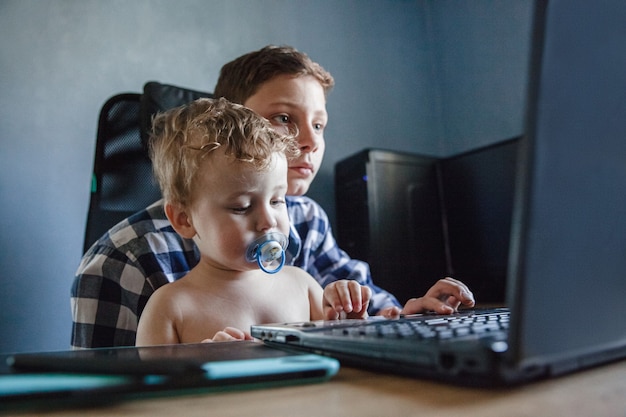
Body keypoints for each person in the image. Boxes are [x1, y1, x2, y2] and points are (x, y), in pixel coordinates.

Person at [72, 45, 474, 349]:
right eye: (284, 119)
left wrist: (406, 315)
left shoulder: (305, 223)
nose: (310, 142)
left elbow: (358, 316)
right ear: (232, 121)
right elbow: (110, 397)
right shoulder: (123, 262)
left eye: (319, 125)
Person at [135, 98, 372, 345]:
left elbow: (344, 364)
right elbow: (153, 384)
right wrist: (202, 365)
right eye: (242, 207)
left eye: (277, 201)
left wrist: (348, 323)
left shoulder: (303, 286)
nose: (268, 221)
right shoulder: (170, 309)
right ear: (184, 219)